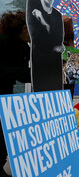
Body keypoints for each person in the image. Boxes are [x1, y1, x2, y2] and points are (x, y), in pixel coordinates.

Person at [0, 10, 30, 177]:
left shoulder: (24, 46)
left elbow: (23, 73)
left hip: (6, 93)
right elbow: (17, 73)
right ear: (25, 28)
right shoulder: (3, 42)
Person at [26, 0, 64, 92]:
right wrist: (54, 46)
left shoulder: (58, 15)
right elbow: (36, 37)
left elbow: (59, 39)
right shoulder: (32, 3)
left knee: (55, 98)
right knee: (41, 96)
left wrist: (43, 22)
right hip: (41, 62)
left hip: (55, 65)